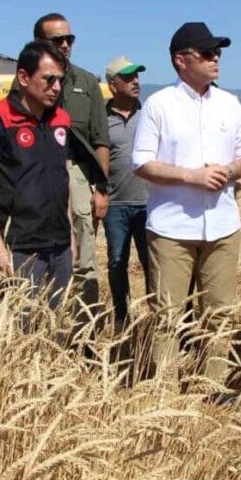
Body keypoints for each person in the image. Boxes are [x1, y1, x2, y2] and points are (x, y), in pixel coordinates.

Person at [131, 21, 241, 392]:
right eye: (207, 53)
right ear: (181, 60)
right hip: (172, 228)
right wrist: (191, 177)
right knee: (168, 314)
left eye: (217, 52)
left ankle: (209, 387)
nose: (216, 58)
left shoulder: (230, 104)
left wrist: (231, 170)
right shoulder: (158, 105)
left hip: (221, 226)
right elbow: (142, 162)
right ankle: (164, 389)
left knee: (220, 314)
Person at [0, 40, 77, 308]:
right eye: (49, 79)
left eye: (60, 80)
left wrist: (71, 235)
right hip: (20, 246)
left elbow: (62, 179)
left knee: (56, 326)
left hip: (60, 243)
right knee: (20, 327)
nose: (56, 87)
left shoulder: (61, 119)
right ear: (23, 77)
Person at [33, 13, 110, 322]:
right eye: (57, 40)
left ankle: (83, 332)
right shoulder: (23, 83)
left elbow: (100, 140)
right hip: (36, 175)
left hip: (75, 173)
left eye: (69, 39)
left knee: (83, 259)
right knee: (37, 256)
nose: (65, 45)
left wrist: (101, 189)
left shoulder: (88, 82)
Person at [103, 55, 151, 328]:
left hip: (149, 203)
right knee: (117, 261)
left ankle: (157, 317)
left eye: (137, 76)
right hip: (115, 204)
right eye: (128, 77)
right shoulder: (101, 118)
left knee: (152, 263)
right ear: (112, 85)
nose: (136, 81)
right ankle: (122, 317)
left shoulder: (149, 115)